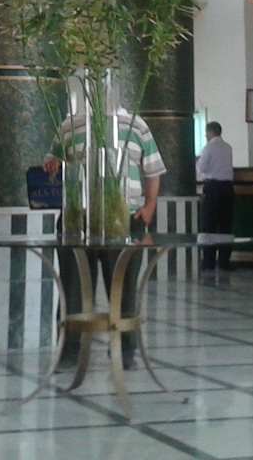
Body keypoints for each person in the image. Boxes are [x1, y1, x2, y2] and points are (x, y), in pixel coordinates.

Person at [44, 103, 166, 369]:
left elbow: (153, 170)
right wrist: (53, 166)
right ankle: (70, 350)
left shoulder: (136, 125)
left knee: (123, 289)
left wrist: (149, 207)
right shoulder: (69, 124)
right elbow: (52, 164)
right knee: (73, 289)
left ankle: (125, 350)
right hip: (78, 220)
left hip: (125, 219)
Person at [195, 120, 235, 275]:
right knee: (225, 225)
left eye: (206, 133)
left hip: (212, 188)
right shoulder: (228, 147)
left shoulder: (208, 148)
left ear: (210, 132)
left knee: (209, 226)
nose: (205, 135)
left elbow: (202, 168)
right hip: (228, 189)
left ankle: (208, 262)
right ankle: (224, 262)